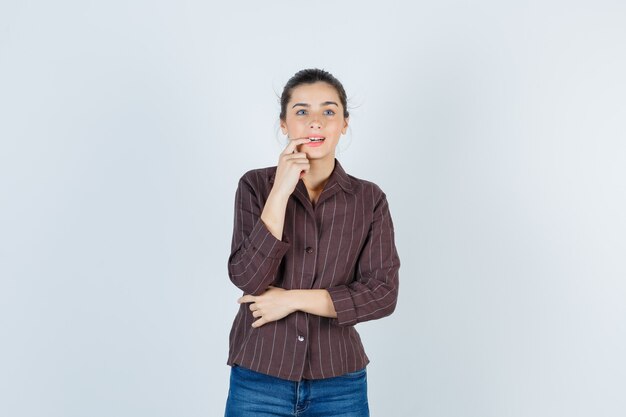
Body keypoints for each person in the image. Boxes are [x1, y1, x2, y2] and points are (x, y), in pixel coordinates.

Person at [224, 68, 400, 417]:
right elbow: (248, 279)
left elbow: (382, 294)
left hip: (340, 382)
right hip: (259, 376)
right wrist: (280, 191)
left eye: (329, 111)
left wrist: (290, 301)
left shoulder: (369, 199)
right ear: (284, 124)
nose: (315, 122)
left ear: (344, 123)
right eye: (302, 111)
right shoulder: (255, 186)